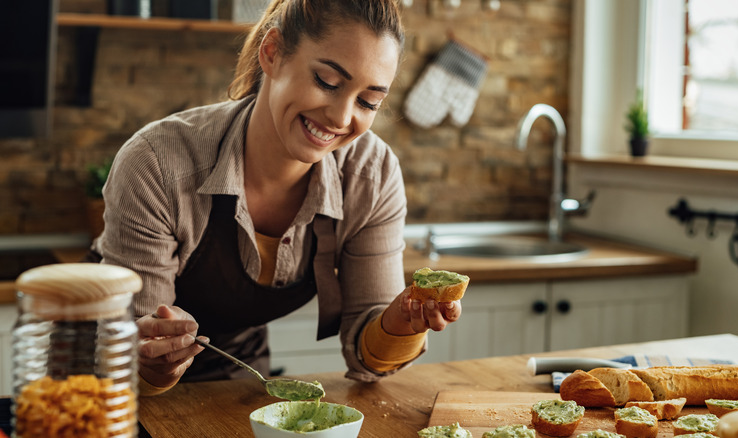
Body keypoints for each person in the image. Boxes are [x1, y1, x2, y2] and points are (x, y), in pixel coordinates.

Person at [87, 0, 463, 395]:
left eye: (368, 102)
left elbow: (368, 357)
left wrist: (401, 323)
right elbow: (135, 353)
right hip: (106, 367)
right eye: (327, 82)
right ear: (273, 53)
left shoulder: (371, 175)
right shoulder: (158, 163)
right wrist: (153, 358)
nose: (341, 117)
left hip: (233, 369)